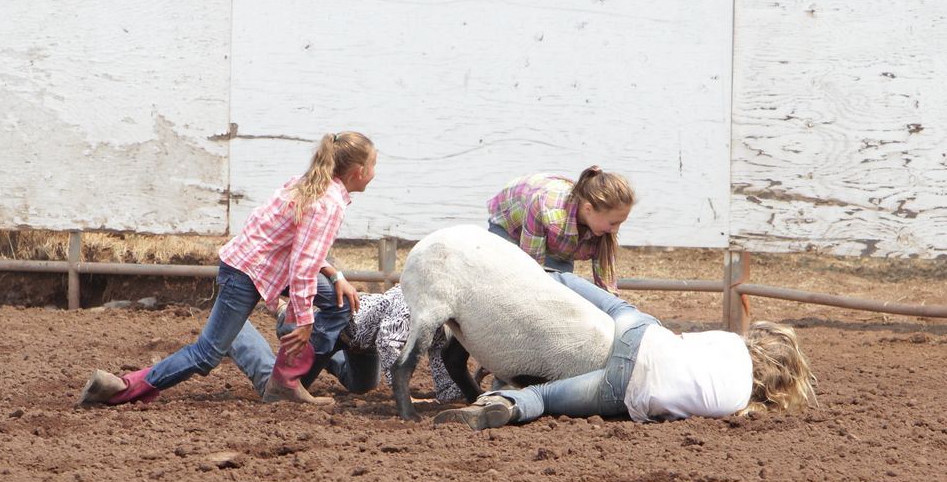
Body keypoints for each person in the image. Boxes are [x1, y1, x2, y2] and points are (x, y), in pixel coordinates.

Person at [77, 131, 377, 408]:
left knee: (337, 304)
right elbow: (303, 266)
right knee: (206, 354)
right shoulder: (329, 204)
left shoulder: (312, 185)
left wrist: (336, 276)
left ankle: (285, 380)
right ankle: (122, 387)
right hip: (250, 272)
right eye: (374, 165)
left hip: (263, 265)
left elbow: (300, 246)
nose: (374, 173)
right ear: (358, 172)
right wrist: (304, 321)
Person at [433, 272, 817, 430]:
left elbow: (683, 341)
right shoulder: (735, 404)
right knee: (542, 397)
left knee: (620, 309)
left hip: (642, 340)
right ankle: (502, 406)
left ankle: (555, 276)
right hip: (629, 391)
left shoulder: (732, 344)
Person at [275, 285, 464, 403]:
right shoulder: (413, 302)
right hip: (339, 326)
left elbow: (440, 354)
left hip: (364, 344)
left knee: (361, 387)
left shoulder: (440, 321)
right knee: (293, 387)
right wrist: (404, 394)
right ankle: (286, 316)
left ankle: (329, 360)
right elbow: (387, 342)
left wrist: (453, 392)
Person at [487, 166, 634, 294]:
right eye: (613, 223)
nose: (615, 230)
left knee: (560, 288)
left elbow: (607, 287)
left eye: (620, 223)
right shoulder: (548, 210)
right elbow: (532, 269)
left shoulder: (603, 231)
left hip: (556, 233)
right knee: (507, 279)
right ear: (588, 209)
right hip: (511, 217)